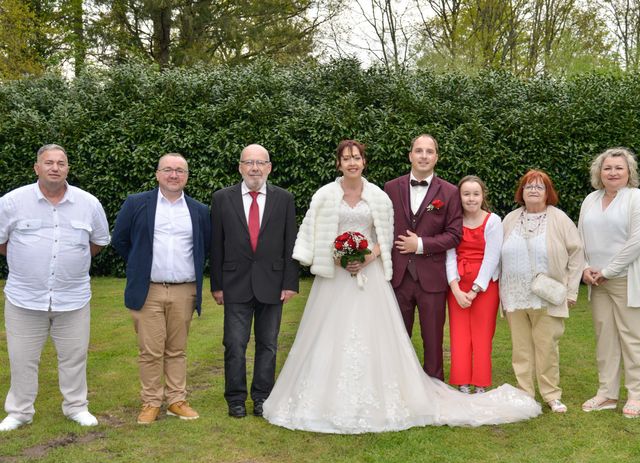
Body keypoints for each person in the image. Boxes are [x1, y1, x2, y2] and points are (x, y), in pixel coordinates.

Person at [263, 140, 541, 434]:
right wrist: (340, 257)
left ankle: (425, 387)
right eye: (347, 159)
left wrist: (378, 253)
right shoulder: (370, 190)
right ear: (339, 163)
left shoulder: (425, 193)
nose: (352, 163)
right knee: (351, 336)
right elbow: (332, 232)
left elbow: (423, 233)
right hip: (357, 278)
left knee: (416, 338)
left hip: (401, 275)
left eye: (357, 157)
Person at [0, 144, 110, 432]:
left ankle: (76, 407)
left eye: (61, 163)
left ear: (67, 168)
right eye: (48, 162)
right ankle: (20, 411)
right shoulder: (12, 202)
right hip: (24, 298)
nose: (55, 167)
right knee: (22, 358)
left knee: (74, 357)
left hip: (73, 298)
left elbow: (97, 242)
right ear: (37, 168)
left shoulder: (89, 203)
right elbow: (1, 241)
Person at [111, 153, 210, 425]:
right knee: (150, 350)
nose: (173, 175)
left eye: (179, 170)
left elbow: (206, 247)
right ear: (157, 174)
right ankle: (151, 401)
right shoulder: (137, 204)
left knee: (177, 349)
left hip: (184, 290)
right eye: (167, 170)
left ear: (187, 176)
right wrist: (140, 263)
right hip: (149, 289)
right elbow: (120, 239)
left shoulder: (199, 211)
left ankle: (176, 400)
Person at [211, 144, 298, 419]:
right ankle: (235, 399)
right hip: (234, 282)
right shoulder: (222, 198)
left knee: (268, 344)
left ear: (269, 168)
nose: (255, 168)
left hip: (272, 283)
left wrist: (290, 282)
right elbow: (216, 244)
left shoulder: (284, 199)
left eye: (261, 163)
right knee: (234, 344)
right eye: (249, 162)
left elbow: (290, 243)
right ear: (240, 167)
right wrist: (217, 284)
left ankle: (263, 397)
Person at [500, 170, 584, 414]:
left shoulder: (558, 218)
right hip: (514, 295)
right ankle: (525, 392)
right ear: (521, 193)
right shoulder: (510, 219)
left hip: (547, 296)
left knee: (547, 346)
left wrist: (570, 292)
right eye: (529, 187)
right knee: (521, 348)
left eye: (539, 187)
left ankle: (551, 394)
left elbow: (577, 253)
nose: (533, 190)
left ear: (548, 193)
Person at [384, 134, 462, 381]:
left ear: (436, 157)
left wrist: (419, 244)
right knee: (396, 338)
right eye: (419, 151)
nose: (424, 156)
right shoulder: (390, 188)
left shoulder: (449, 192)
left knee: (433, 340)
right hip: (398, 277)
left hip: (432, 278)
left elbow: (454, 235)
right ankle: (398, 386)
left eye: (429, 151)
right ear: (410, 155)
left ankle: (434, 388)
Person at [578, 147, 640, 418]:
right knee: (605, 337)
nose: (613, 172)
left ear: (629, 173)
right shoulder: (590, 200)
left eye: (619, 168)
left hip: (626, 278)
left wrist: (608, 270)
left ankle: (636, 395)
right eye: (607, 168)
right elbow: (578, 239)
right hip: (596, 281)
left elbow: (636, 241)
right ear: (599, 173)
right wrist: (584, 269)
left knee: (632, 338)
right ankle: (607, 394)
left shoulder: (635, 198)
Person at [446, 176, 502, 394]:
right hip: (458, 283)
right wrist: (455, 288)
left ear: (483, 196)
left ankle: (480, 382)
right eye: (466, 194)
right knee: (459, 333)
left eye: (475, 194)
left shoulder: (493, 221)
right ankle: (461, 381)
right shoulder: (453, 221)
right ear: (459, 197)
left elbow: (492, 258)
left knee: (482, 333)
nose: (471, 198)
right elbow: (449, 255)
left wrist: (475, 289)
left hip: (485, 285)